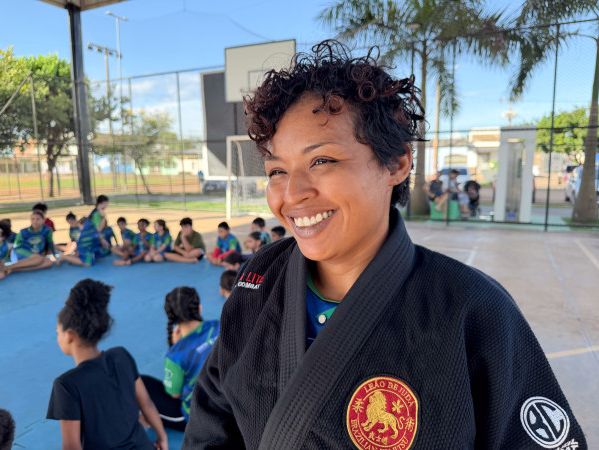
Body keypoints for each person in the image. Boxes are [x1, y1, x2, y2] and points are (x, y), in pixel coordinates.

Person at [182, 41, 586, 449]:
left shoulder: (473, 309)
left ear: (396, 164)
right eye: (276, 170)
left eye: (322, 161)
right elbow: (214, 409)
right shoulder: (260, 277)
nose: (292, 193)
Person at [47, 279, 168, 449]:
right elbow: (146, 403)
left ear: (69, 336)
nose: (57, 336)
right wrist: (162, 437)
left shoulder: (67, 385)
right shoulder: (121, 356)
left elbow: (71, 446)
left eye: (57, 332)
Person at [140, 287, 219, 431]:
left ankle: (149, 416)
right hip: (229, 405)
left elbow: (174, 394)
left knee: (140, 382)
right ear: (199, 308)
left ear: (170, 316)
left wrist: (174, 347)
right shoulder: (220, 325)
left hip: (197, 419)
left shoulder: (176, 354)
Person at [58, 195, 109, 267]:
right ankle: (64, 257)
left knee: (99, 258)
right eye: (107, 203)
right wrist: (103, 217)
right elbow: (98, 229)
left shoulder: (94, 212)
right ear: (104, 202)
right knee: (87, 263)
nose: (107, 205)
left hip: (92, 240)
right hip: (86, 241)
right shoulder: (96, 214)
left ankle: (74, 257)